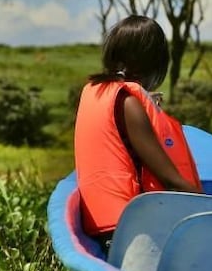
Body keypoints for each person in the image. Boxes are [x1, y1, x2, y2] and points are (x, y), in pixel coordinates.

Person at [74, 15, 202, 253]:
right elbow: (171, 179)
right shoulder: (128, 103)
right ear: (154, 62)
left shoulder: (94, 91)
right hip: (132, 226)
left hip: (104, 226)